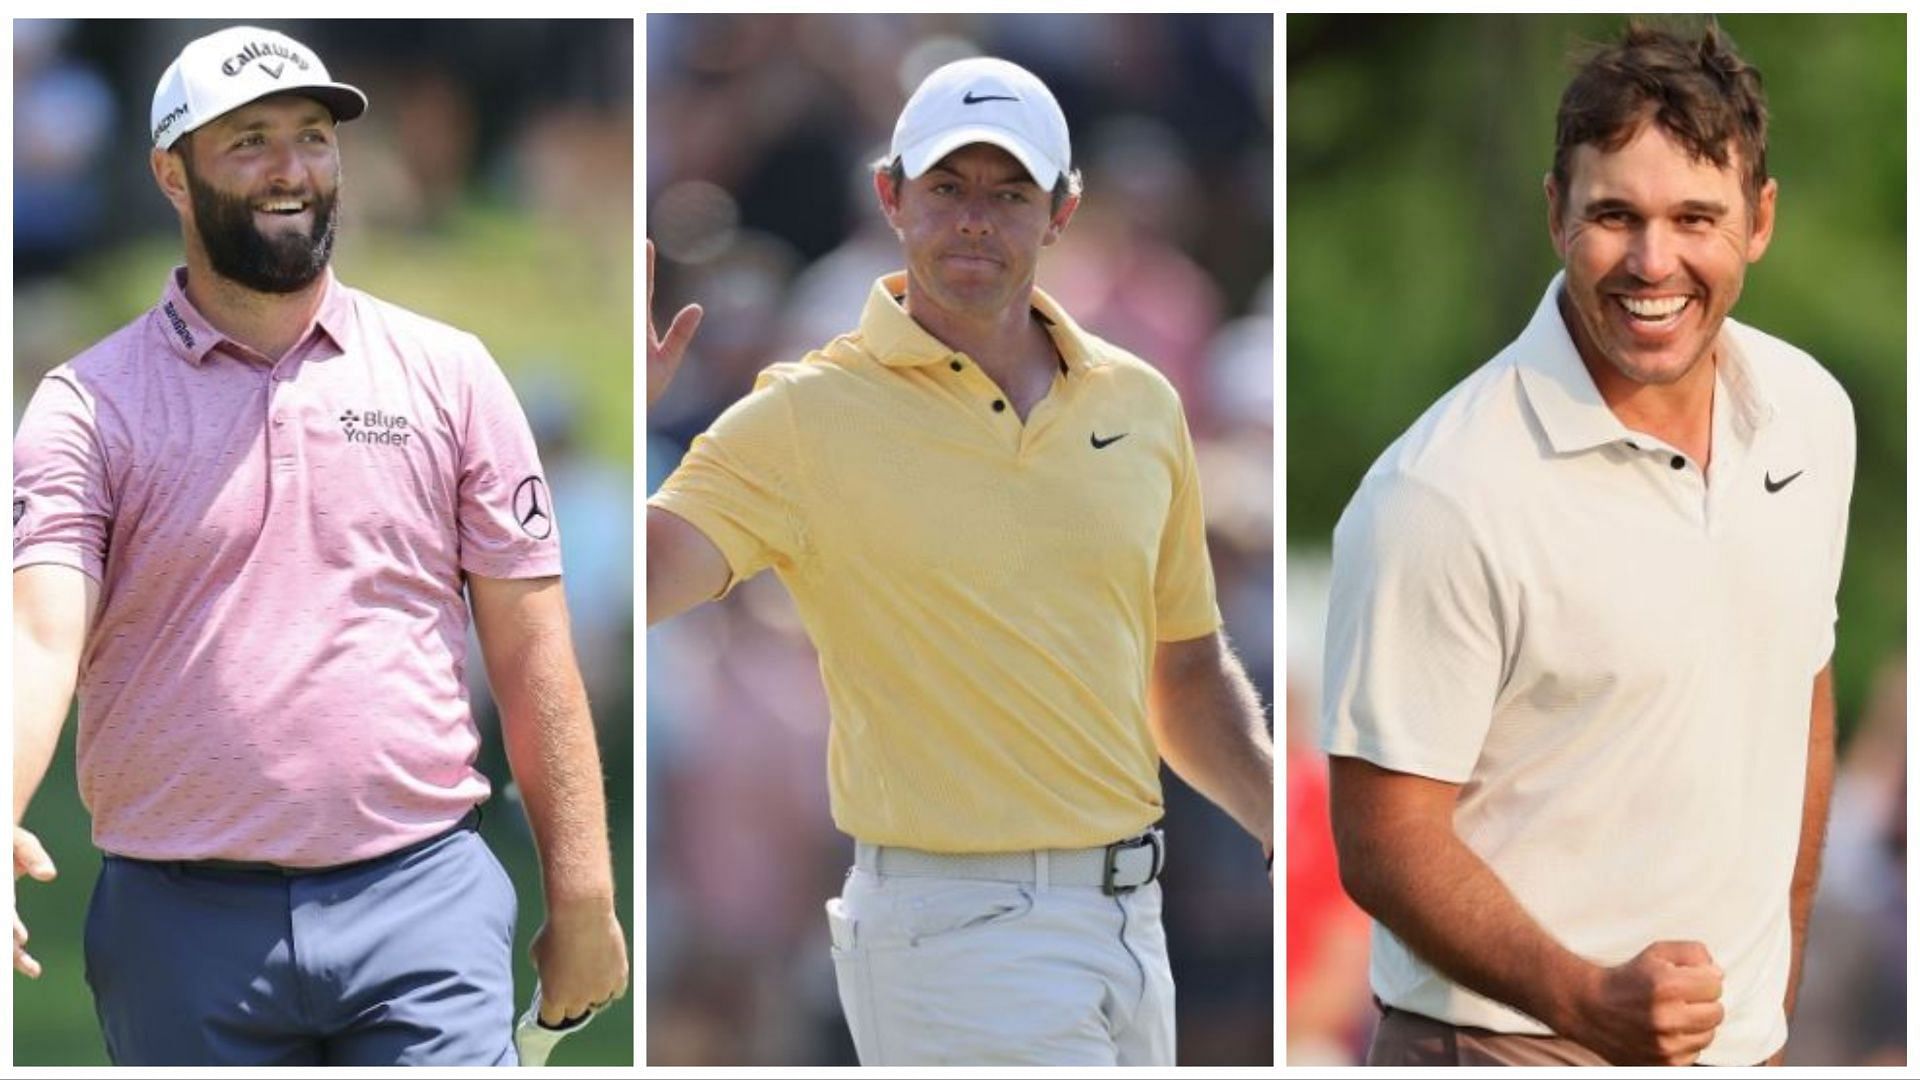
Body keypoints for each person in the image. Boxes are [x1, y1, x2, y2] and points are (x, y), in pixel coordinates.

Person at [11, 25, 626, 1066]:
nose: (291, 169)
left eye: (311, 137)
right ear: (172, 172)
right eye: (248, 141)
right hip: (178, 924)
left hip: (421, 902)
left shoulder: (452, 373)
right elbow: (35, 636)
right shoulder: (86, 405)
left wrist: (584, 896)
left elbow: (533, 652)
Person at [646, 56, 1274, 1066]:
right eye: (947, 188)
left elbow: (1186, 674)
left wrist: (1291, 824)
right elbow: (636, 581)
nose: (975, 218)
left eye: (1008, 192)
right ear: (892, 197)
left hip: (1128, 923)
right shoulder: (806, 415)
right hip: (951, 927)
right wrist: (632, 422)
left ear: (1062, 212)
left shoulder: (1142, 405)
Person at [1320, 21, 1853, 1068]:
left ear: (1760, 221)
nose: (1655, 263)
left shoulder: (1811, 413)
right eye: (1617, 215)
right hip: (1503, 1050)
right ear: (1556, 212)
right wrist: (1588, 1002)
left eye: (1696, 216)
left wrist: (1770, 998)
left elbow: (1802, 683)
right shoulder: (1439, 492)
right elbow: (1383, 841)